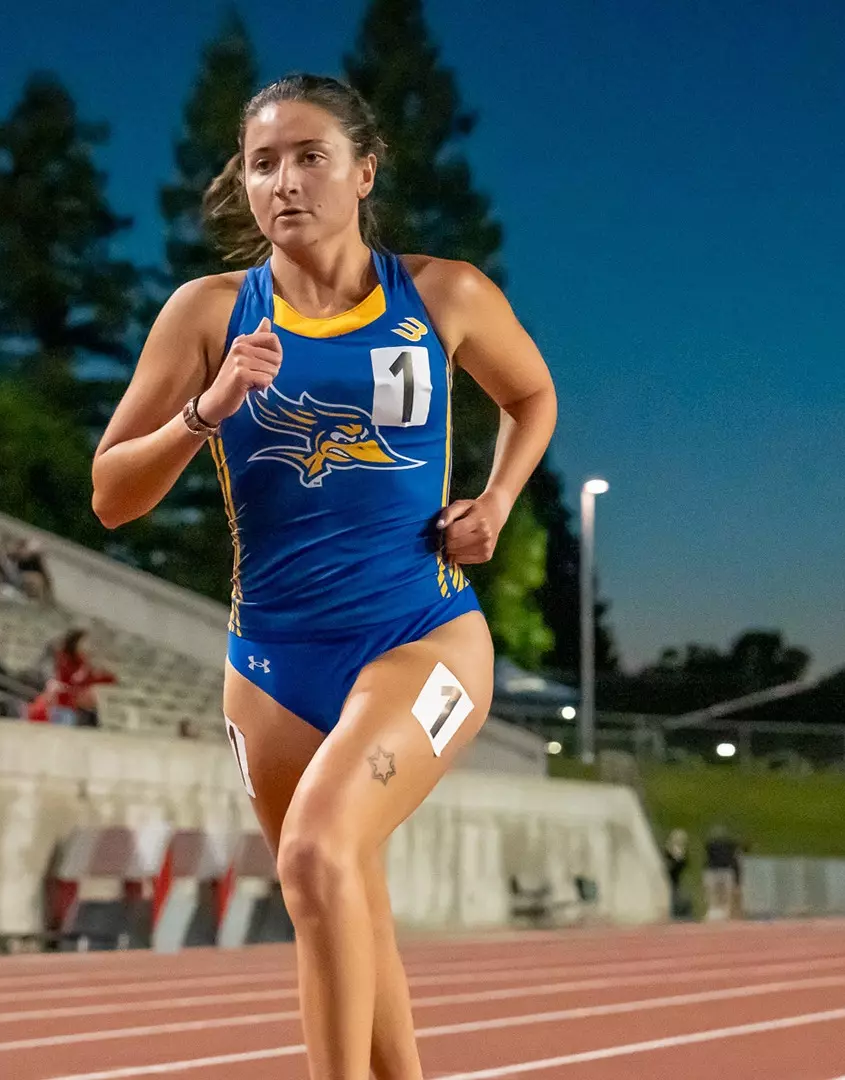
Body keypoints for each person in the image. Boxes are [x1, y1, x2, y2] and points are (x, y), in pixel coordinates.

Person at [89, 74, 555, 1079]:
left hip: (420, 638)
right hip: (269, 670)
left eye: (310, 157)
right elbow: (111, 495)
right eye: (264, 164)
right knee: (344, 892)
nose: (286, 182)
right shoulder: (209, 314)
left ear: (364, 170)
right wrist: (205, 410)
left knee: (315, 854)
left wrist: (500, 500)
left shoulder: (443, 296)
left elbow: (531, 394)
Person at [703, 824, 742, 922]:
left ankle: (716, 913)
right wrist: (737, 880)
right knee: (722, 896)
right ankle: (720, 913)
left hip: (716, 871)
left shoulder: (710, 847)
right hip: (723, 871)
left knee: (716, 895)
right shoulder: (730, 849)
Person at [662, 828, 691, 919]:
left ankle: (675, 914)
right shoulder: (669, 851)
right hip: (668, 880)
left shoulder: (679, 852)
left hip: (674, 880)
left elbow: (682, 865)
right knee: (672, 896)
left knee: (675, 895)